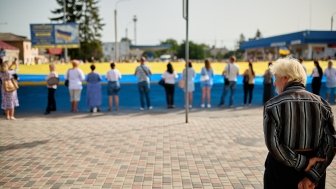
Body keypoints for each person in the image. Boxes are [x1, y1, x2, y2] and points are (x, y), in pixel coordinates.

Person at [263, 57, 336, 189]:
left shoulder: (272, 105)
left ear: (286, 78)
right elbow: (330, 144)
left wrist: (302, 163)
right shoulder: (323, 105)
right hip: (314, 169)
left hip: (281, 171)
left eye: (276, 78)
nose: (274, 83)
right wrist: (313, 175)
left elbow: (273, 146)